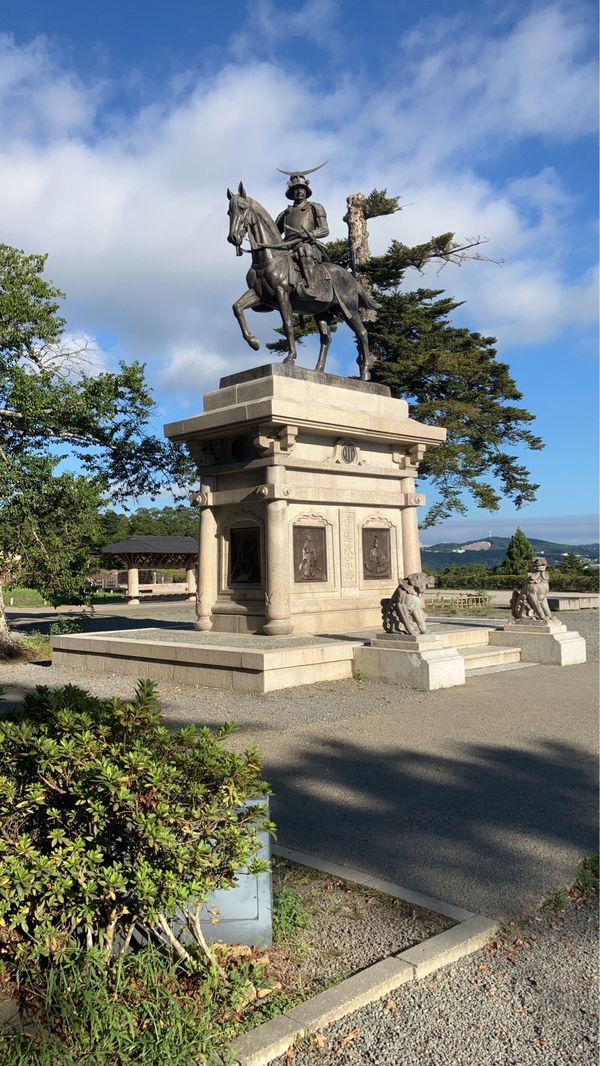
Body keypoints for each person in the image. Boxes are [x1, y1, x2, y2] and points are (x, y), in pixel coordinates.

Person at [276, 174, 330, 299]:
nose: (299, 191)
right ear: (291, 192)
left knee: (304, 250)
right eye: (296, 189)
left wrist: (310, 234)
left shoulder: (315, 207)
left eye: (302, 188)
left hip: (307, 244)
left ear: (306, 190)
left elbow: (325, 229)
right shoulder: (285, 213)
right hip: (287, 247)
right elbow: (274, 233)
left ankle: (311, 286)